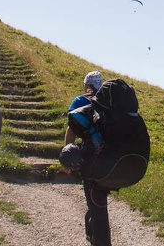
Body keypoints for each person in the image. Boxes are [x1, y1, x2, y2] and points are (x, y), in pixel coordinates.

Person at [64, 71, 111, 246]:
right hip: (111, 161)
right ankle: (93, 237)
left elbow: (71, 131)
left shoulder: (80, 101)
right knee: (97, 204)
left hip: (91, 162)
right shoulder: (108, 103)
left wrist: (67, 157)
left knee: (96, 206)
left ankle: (99, 241)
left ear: (87, 85)